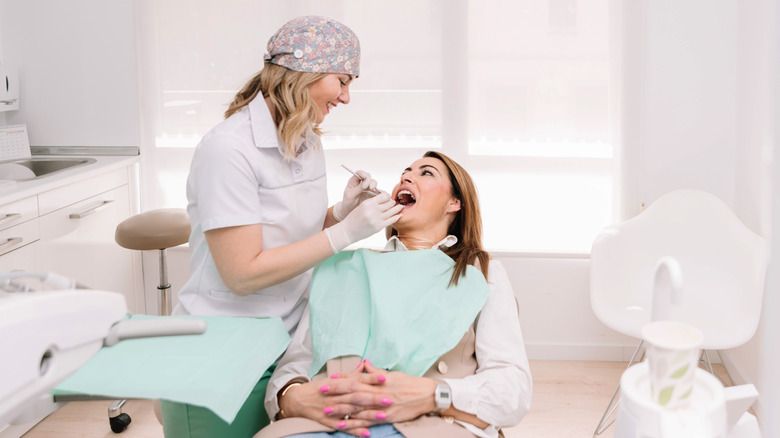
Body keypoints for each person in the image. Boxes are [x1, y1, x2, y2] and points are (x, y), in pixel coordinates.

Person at [163, 16, 403, 438]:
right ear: (304, 73)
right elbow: (241, 273)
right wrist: (346, 233)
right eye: (342, 81)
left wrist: (340, 212)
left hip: (287, 342)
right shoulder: (228, 150)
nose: (346, 97)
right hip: (224, 345)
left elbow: (292, 234)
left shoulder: (306, 138)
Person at [256, 151, 532, 438]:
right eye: (404, 173)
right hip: (328, 424)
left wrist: (434, 395)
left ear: (454, 203)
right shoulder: (341, 268)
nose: (406, 177)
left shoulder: (481, 271)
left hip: (431, 426)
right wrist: (291, 397)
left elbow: (513, 388)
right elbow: (296, 365)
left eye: (426, 173)